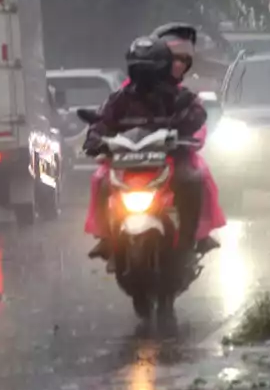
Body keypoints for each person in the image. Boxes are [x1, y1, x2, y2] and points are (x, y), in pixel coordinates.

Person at [84, 37, 207, 264]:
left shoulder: (178, 96)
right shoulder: (119, 99)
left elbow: (197, 113)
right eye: (139, 69)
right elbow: (101, 121)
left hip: (168, 159)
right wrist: (94, 139)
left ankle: (190, 240)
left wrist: (184, 125)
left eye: (149, 69)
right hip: (127, 163)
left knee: (192, 180)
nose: (144, 75)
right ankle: (107, 239)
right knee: (101, 182)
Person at [151, 22, 225, 253]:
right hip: (135, 158)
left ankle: (193, 236)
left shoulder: (186, 95)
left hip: (174, 156)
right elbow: (109, 117)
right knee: (102, 178)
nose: (175, 64)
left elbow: (198, 121)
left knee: (197, 180)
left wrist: (190, 136)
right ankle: (107, 236)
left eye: (180, 59)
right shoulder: (128, 90)